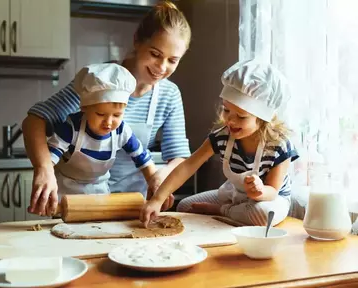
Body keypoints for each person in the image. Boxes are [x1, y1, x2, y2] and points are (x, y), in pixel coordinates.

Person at [22, 1, 192, 216]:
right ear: (137, 41)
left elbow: (178, 156)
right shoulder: (97, 82)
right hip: (78, 205)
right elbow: (35, 120)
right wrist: (44, 169)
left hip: (131, 208)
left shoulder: (169, 94)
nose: (162, 67)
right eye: (155, 54)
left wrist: (160, 175)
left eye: (172, 60)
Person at [140, 59, 299, 227]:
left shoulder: (279, 145)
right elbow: (188, 166)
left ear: (263, 118)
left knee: (262, 215)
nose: (230, 120)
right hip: (236, 195)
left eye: (241, 116)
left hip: (270, 200)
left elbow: (273, 191)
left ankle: (222, 210)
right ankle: (232, 209)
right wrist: (158, 199)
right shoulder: (223, 136)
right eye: (226, 110)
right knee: (184, 206)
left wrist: (259, 191)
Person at [48, 63, 156, 197]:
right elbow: (50, 158)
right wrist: (46, 183)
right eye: (100, 114)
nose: (109, 122)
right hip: (65, 191)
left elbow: (142, 158)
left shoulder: (121, 131)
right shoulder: (71, 128)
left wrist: (153, 181)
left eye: (117, 115)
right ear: (84, 108)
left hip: (100, 192)